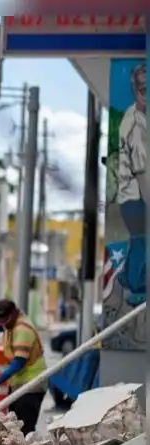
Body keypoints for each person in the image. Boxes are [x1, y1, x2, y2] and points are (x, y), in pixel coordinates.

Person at [0, 299, 48, 434]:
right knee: (14, 427)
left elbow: (18, 363)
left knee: (24, 428)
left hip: (31, 384)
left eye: (6, 319)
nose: (3, 323)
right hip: (19, 383)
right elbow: (2, 326)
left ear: (14, 314)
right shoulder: (11, 324)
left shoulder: (23, 330)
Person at [117, 62, 146, 306]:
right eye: (143, 89)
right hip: (137, 195)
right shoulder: (137, 125)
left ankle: (128, 277)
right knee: (141, 238)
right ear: (136, 90)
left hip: (130, 196)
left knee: (138, 238)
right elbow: (141, 170)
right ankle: (137, 287)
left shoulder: (133, 114)